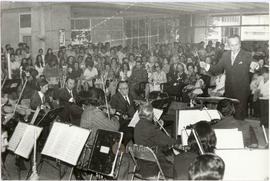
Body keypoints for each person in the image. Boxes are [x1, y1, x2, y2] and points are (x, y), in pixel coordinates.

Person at [200, 34, 258, 120]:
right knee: (228, 117)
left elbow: (254, 62)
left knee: (239, 116)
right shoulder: (225, 55)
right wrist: (206, 66)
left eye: (236, 44)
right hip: (229, 90)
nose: (234, 47)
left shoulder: (246, 55)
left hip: (241, 91)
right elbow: (218, 69)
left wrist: (255, 65)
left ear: (240, 44)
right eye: (232, 45)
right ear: (228, 45)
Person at [134, 103, 175, 179]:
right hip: (154, 163)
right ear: (151, 114)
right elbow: (168, 142)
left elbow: (151, 137)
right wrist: (177, 141)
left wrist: (156, 126)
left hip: (142, 162)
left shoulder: (137, 125)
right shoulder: (152, 128)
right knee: (177, 169)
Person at [110, 81, 136, 145]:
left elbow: (133, 108)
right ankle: (121, 146)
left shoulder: (130, 95)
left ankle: (137, 145)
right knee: (131, 131)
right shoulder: (115, 98)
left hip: (131, 119)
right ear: (119, 90)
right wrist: (122, 115)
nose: (126, 90)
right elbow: (113, 112)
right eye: (124, 88)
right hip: (121, 122)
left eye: (127, 88)